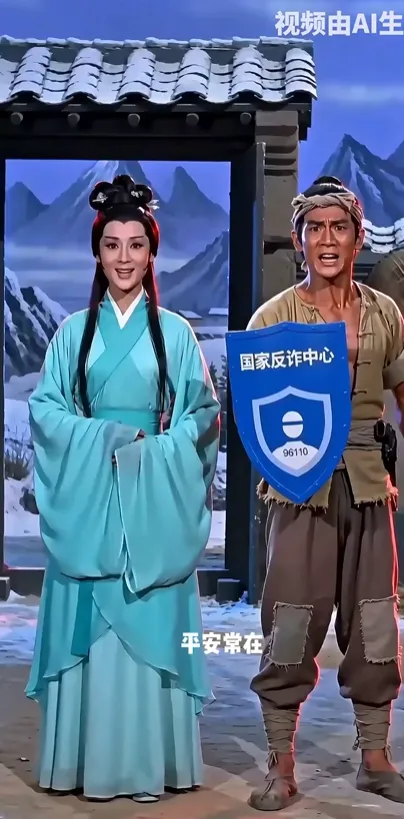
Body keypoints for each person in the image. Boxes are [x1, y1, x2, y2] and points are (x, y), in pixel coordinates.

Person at [246, 176, 404, 811]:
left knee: (376, 623)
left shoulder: (383, 313)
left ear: (358, 238)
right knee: (290, 622)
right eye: (315, 229)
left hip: (367, 483)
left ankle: (375, 759)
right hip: (300, 487)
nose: (326, 240)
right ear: (299, 240)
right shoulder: (274, 318)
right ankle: (281, 764)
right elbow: (257, 408)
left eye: (338, 228)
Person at [26, 174, 220, 802]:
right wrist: (106, 438)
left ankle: (149, 765)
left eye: (136, 244)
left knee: (149, 615)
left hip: (150, 497)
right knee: (91, 612)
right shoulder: (72, 333)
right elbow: (46, 411)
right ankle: (82, 763)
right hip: (92, 498)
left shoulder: (177, 334)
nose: (124, 258)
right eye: (112, 245)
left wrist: (157, 453)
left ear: (152, 252)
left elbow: (202, 416)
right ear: (97, 252)